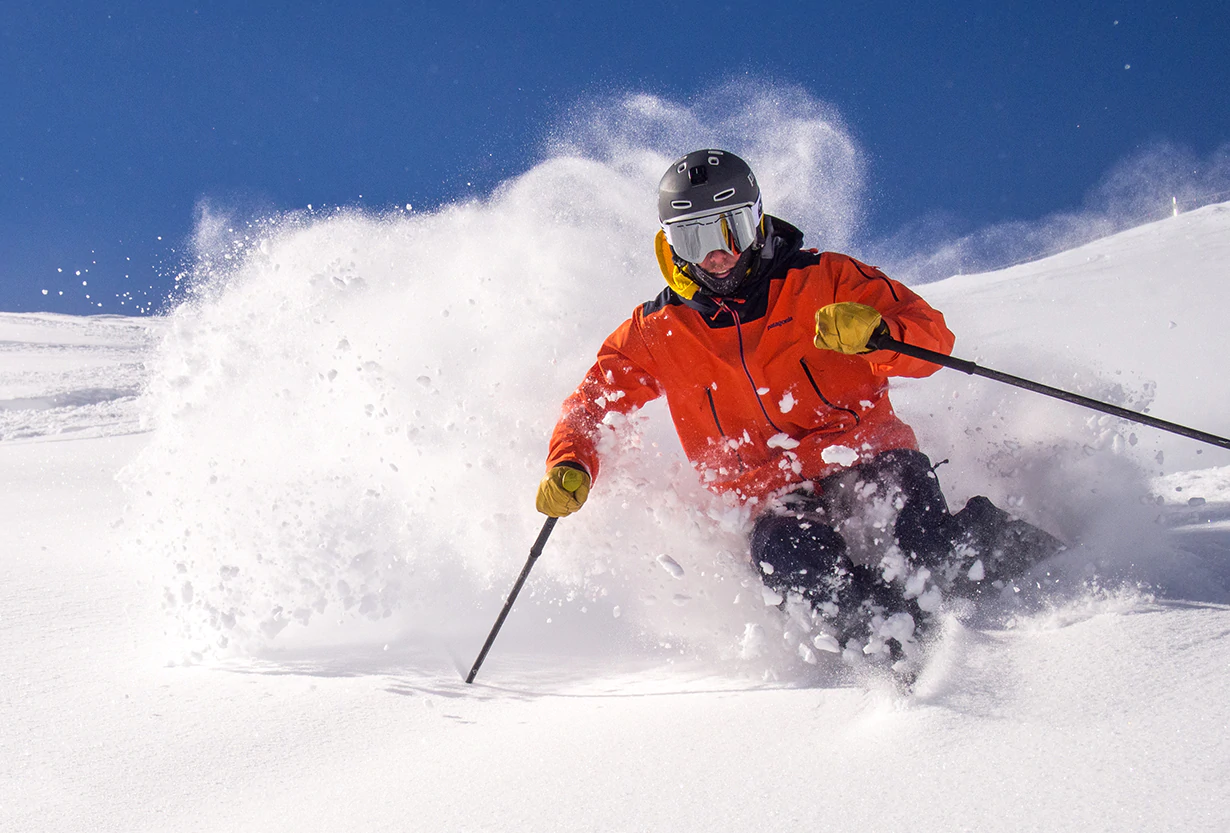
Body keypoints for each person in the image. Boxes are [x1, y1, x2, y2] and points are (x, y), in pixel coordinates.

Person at [536, 149, 1061, 664]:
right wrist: (570, 461)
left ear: (757, 220)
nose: (717, 254)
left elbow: (932, 340)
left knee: (927, 553)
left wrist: (880, 334)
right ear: (669, 244)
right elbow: (592, 405)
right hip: (767, 493)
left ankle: (1038, 557)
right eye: (694, 237)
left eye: (730, 231)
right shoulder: (657, 332)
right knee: (808, 576)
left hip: (864, 454)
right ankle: (902, 682)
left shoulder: (824, 280)